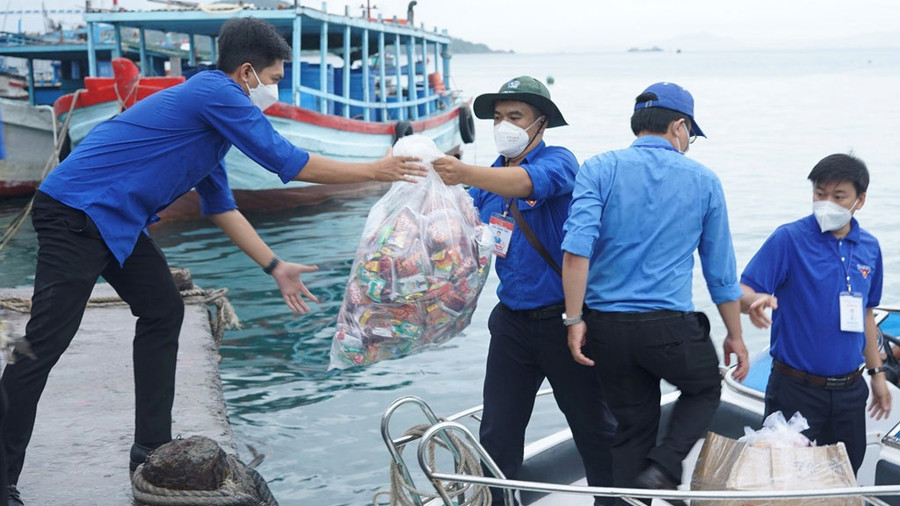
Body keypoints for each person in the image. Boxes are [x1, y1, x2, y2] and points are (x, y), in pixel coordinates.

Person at [1, 17, 425, 504]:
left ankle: (150, 447)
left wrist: (275, 266)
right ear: (246, 72)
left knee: (163, 309)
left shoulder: (211, 120)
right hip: (76, 211)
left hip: (113, 219)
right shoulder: (216, 94)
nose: (274, 90)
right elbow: (288, 162)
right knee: (43, 345)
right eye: (272, 79)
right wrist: (376, 168)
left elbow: (221, 206)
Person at [561, 81, 749, 503]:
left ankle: (637, 492)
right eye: (691, 135)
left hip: (606, 330)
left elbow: (575, 253)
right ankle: (665, 465)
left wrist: (574, 321)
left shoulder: (599, 168)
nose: (689, 143)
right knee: (704, 389)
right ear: (679, 126)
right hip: (669, 330)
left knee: (631, 429)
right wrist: (734, 335)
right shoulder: (704, 181)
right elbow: (720, 273)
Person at [433, 76, 616, 506]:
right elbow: (460, 224)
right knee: (498, 428)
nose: (504, 125)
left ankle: (614, 501)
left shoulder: (561, 161)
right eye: (498, 117)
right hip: (511, 323)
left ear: (541, 123)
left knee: (593, 427)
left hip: (565, 323)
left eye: (515, 116)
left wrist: (462, 170)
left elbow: (528, 184)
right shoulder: (487, 178)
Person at [740, 153, 891, 474]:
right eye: (820, 194)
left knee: (842, 477)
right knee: (785, 480)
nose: (827, 203)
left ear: (859, 201)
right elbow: (742, 290)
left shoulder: (869, 247)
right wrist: (754, 300)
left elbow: (866, 314)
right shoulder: (789, 239)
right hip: (795, 390)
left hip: (851, 391)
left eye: (839, 197)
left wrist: (877, 376)